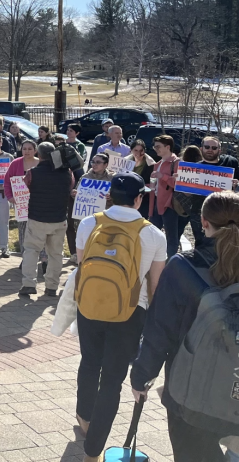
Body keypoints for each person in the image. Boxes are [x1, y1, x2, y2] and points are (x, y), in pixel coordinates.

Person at [131, 191, 239, 460]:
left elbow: (159, 332)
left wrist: (142, 376)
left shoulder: (183, 267)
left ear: (203, 222)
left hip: (191, 397)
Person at [74, 172, 166, 462]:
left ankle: (84, 419)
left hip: (88, 307)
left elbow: (81, 267)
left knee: (89, 361)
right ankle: (93, 451)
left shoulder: (89, 223)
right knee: (113, 379)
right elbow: (154, 287)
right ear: (139, 198)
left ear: (110, 195)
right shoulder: (153, 234)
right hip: (129, 314)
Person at [20, 142, 74, 297]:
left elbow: (27, 184)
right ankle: (51, 287)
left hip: (37, 218)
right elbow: (70, 187)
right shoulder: (67, 172)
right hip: (58, 219)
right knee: (56, 254)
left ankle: (29, 284)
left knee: (31, 251)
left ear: (39, 155)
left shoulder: (32, 173)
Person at [67, 153, 115, 265]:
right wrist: (74, 194)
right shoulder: (85, 177)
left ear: (105, 164)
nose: (94, 164)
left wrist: (111, 197)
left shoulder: (112, 178)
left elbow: (118, 197)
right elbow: (78, 196)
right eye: (93, 161)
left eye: (98, 162)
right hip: (86, 217)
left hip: (104, 216)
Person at [150, 134, 184, 259]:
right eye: (155, 147)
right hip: (157, 203)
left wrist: (162, 177)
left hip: (170, 205)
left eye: (158, 146)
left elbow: (179, 184)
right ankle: (154, 259)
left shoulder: (177, 162)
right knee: (153, 233)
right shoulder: (158, 163)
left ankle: (171, 262)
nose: (156, 149)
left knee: (171, 236)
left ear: (168, 147)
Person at [125, 139, 155, 219]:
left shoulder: (151, 164)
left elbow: (153, 183)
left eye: (141, 150)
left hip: (143, 199)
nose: (138, 153)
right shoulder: (125, 162)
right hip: (127, 198)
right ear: (131, 150)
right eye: (136, 150)